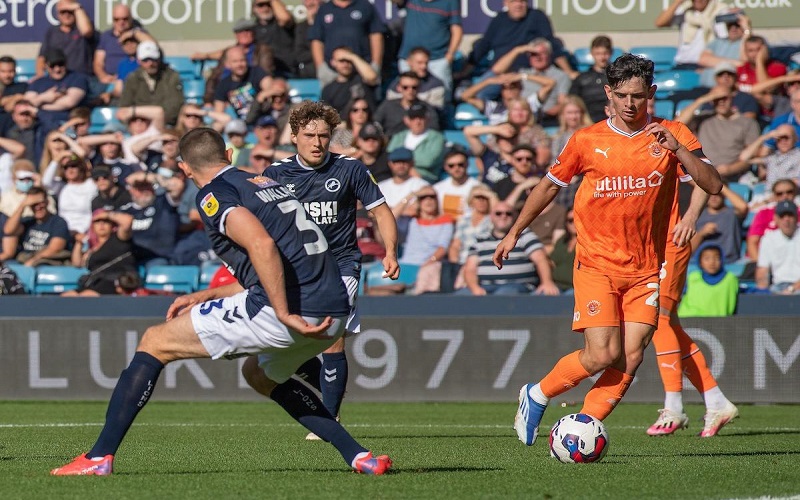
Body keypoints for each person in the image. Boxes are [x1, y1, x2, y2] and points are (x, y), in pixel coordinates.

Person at [50, 127, 392, 476]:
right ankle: (360, 456)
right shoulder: (262, 183)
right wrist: (207, 294)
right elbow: (277, 261)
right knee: (258, 375)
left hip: (291, 309)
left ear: (184, 168)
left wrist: (284, 312)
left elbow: (261, 245)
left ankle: (98, 458)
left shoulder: (215, 193)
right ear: (229, 154)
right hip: (334, 306)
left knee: (155, 342)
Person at [495, 54, 722, 447]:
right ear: (608, 94)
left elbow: (713, 184)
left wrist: (679, 151)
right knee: (602, 354)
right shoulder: (587, 140)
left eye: (638, 95)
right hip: (597, 263)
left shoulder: (674, 133)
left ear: (651, 93)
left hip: (647, 269)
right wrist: (515, 231)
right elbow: (549, 186)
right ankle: (537, 394)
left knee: (630, 356)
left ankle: (580, 429)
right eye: (621, 95)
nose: (630, 103)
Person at [249, 101, 399, 439]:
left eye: (324, 136)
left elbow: (381, 211)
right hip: (295, 270)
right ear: (294, 137)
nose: (317, 142)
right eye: (310, 135)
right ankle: (328, 388)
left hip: (340, 266)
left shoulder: (351, 169)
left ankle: (329, 419)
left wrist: (390, 250)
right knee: (288, 341)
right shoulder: (275, 174)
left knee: (331, 337)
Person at [459, 201, 557, 296]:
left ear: (514, 216)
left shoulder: (524, 235)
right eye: (498, 213)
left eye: (508, 213)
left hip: (517, 286)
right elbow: (470, 268)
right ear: (491, 217)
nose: (503, 216)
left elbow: (540, 259)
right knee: (460, 296)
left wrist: (547, 282)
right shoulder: (480, 240)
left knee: (502, 295)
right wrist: (474, 288)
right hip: (485, 287)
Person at [62, 209, 136, 296]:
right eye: (97, 221)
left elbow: (127, 221)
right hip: (94, 282)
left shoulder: (119, 239)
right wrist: (79, 243)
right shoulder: (92, 248)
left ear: (112, 224)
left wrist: (107, 215)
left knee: (86, 296)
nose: (101, 224)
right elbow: (77, 263)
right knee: (67, 296)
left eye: (106, 221)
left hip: (115, 282)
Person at [654, 0, 733, 68]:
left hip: (707, 65)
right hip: (683, 64)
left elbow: (726, 39)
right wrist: (678, 2)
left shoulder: (719, 11)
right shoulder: (685, 10)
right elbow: (660, 23)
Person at [4, 186, 72, 267]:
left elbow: (55, 248)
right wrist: (22, 206)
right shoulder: (27, 221)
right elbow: (8, 230)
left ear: (47, 202)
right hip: (25, 258)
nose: (38, 207)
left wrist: (33, 260)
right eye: (33, 204)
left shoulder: (58, 222)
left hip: (46, 261)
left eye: (41, 203)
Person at [678, 243, 739, 317]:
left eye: (716, 258)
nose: (712, 262)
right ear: (700, 261)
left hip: (718, 324)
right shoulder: (692, 278)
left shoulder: (730, 279)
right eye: (707, 258)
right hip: (689, 321)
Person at [745, 178, 800, 261]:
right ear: (774, 196)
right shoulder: (763, 213)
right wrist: (760, 265)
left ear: (795, 193)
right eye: (779, 194)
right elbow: (752, 242)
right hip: (764, 259)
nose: (785, 196)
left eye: (789, 192)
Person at [755, 199, 800, 294]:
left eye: (790, 215)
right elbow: (763, 270)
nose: (786, 219)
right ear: (776, 218)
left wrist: (792, 289)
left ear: (796, 217)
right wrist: (763, 291)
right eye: (782, 216)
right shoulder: (768, 238)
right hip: (778, 286)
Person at [568, 35, 614, 123]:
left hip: (612, 120)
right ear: (592, 53)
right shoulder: (581, 79)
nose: (602, 57)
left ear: (611, 53)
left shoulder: (617, 77)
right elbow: (573, 100)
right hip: (587, 121)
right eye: (598, 53)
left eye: (605, 53)